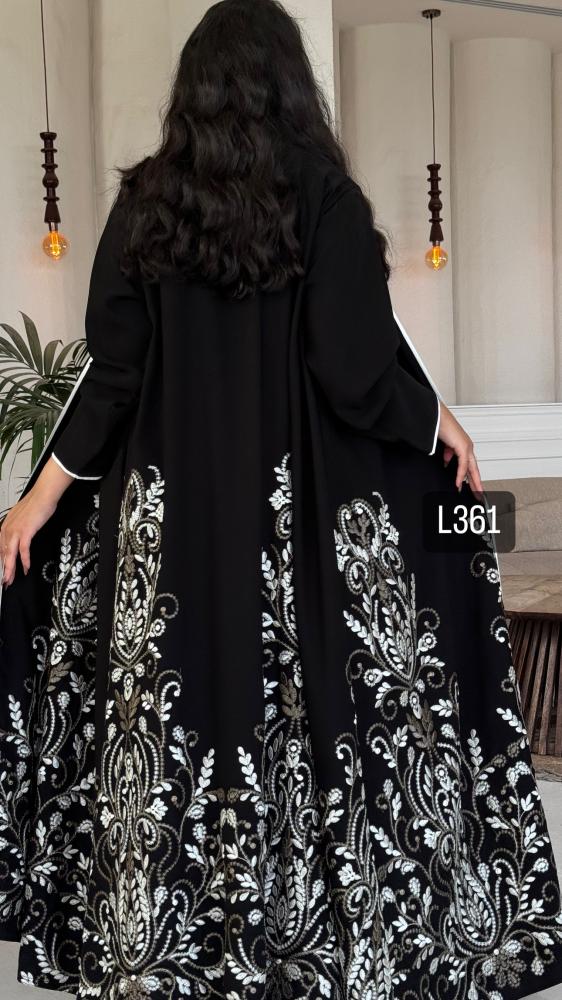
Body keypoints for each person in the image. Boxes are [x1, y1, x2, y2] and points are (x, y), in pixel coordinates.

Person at [0, 1, 561, 997]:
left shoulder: (146, 204)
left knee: (178, 707)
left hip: (172, 526)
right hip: (297, 522)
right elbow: (353, 370)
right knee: (309, 710)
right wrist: (437, 424)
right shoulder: (325, 199)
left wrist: (36, 502)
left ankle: (167, 940)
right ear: (293, 85)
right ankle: (312, 930)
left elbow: (113, 378)